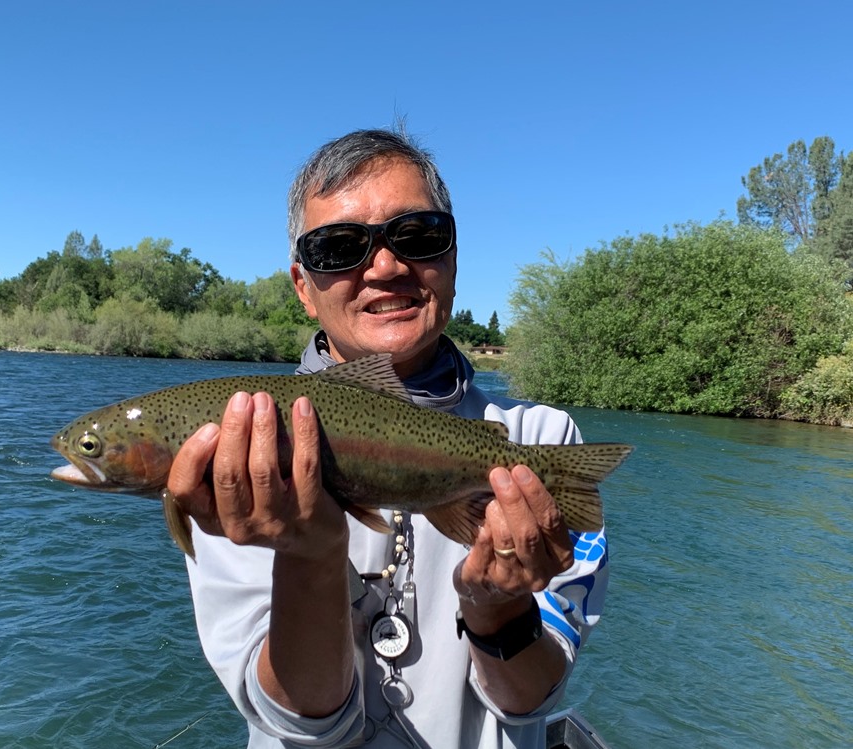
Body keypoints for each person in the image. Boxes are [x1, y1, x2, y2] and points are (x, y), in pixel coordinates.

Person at [165, 128, 607, 748]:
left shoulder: (542, 441)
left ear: (451, 258)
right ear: (303, 286)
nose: (385, 267)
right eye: (339, 247)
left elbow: (529, 701)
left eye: (418, 236)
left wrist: (496, 612)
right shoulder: (246, 448)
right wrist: (309, 556)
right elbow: (305, 724)